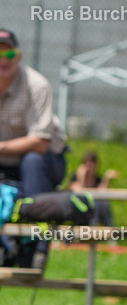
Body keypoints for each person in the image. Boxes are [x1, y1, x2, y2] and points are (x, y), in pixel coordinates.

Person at [0, 28, 68, 269]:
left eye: (8, 54)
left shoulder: (36, 85)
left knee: (32, 161)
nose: (2, 59)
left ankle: (36, 246)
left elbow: (40, 143)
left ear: (18, 57)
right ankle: (7, 246)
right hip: (5, 162)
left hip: (47, 161)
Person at [68, 151, 117, 226]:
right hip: (80, 210)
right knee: (95, 205)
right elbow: (78, 192)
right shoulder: (75, 178)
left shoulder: (98, 180)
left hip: (96, 211)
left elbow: (101, 194)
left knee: (103, 204)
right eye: (88, 165)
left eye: (93, 165)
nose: (90, 168)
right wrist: (81, 177)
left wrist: (106, 180)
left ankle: (109, 227)